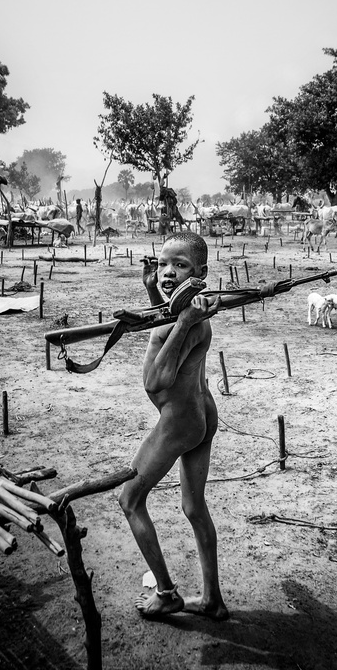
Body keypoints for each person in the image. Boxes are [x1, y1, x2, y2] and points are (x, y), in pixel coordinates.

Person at [118, 231, 230, 622]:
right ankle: (212, 600)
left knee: (129, 500)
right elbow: (166, 324)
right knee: (194, 506)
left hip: (179, 421)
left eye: (179, 266)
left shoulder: (190, 320)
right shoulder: (190, 312)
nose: (166, 272)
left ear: (201, 272)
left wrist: (182, 323)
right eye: (162, 263)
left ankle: (166, 594)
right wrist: (154, 295)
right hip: (200, 412)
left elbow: (156, 381)